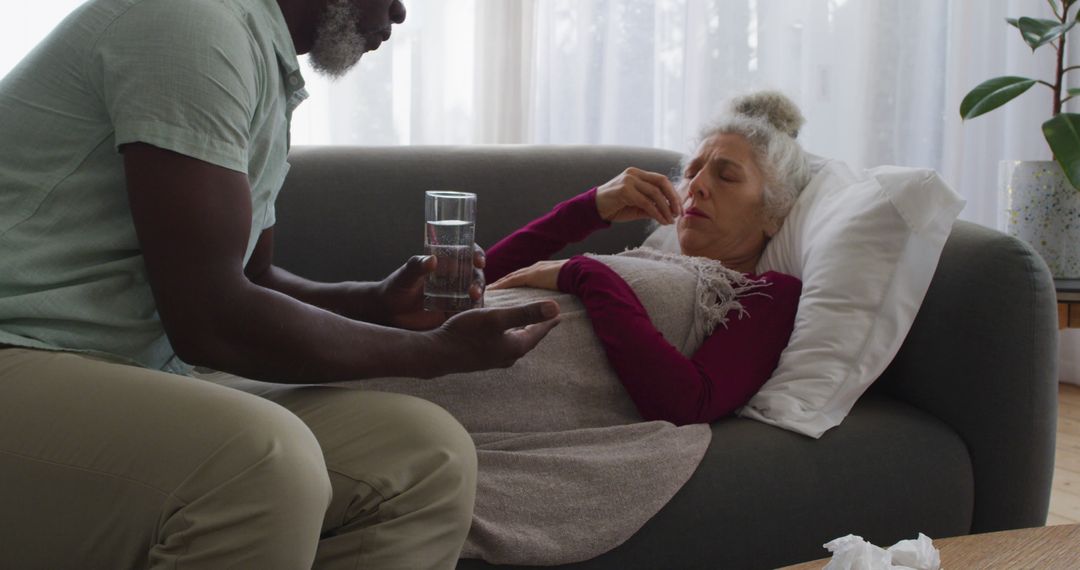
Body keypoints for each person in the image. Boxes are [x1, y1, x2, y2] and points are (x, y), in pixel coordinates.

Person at [0, 1, 560, 569]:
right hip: (19, 349)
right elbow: (213, 319)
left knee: (426, 455)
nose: (398, 11)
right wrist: (435, 353)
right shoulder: (190, 21)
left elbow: (250, 278)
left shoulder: (255, 55)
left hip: (125, 370)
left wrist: (375, 304)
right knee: (262, 462)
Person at [482, 90, 810, 425]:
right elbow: (469, 283)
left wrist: (585, 274)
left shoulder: (766, 294)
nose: (696, 186)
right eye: (691, 172)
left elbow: (689, 404)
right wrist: (589, 209)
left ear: (774, 211)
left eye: (726, 176)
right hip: (451, 337)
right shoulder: (650, 262)